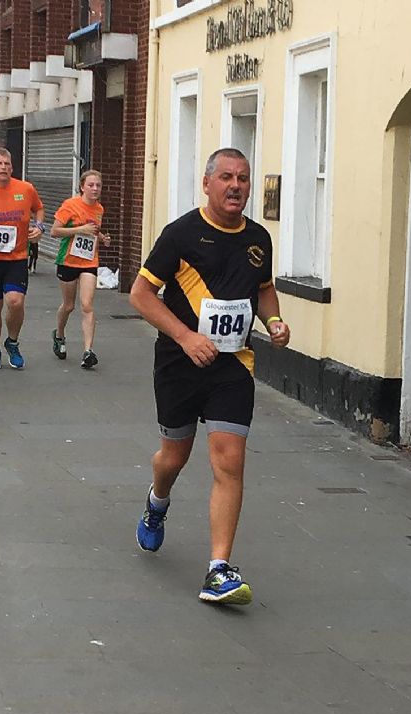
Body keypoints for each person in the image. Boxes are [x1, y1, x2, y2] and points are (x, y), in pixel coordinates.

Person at [130, 148, 290, 605]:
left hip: (232, 365)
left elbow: (264, 289)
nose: (236, 185)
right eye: (226, 177)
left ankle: (219, 568)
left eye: (242, 177)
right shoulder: (180, 234)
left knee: (229, 460)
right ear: (207, 184)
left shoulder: (258, 238)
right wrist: (184, 336)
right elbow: (141, 296)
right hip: (180, 365)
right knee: (172, 458)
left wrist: (274, 321)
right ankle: (157, 502)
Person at [0, 147, 44, 369]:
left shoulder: (25, 189)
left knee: (15, 301)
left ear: (12, 167)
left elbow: (39, 209)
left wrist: (39, 227)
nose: (3, 167)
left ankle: (12, 342)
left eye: (7, 164)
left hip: (17, 257)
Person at [50, 170, 111, 369]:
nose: (95, 189)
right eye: (91, 185)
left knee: (87, 305)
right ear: (82, 186)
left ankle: (88, 351)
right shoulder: (70, 205)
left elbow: (93, 230)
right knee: (69, 306)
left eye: (98, 186)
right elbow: (54, 231)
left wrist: (102, 238)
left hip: (89, 263)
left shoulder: (99, 209)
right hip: (68, 261)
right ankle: (59, 335)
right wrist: (79, 230)